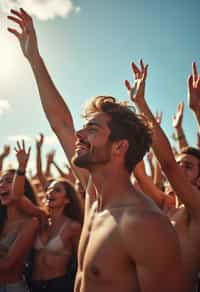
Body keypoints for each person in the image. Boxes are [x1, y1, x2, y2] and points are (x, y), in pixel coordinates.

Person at [8, 9, 187, 292]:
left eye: (92, 129)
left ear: (119, 147)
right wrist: (34, 59)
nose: (79, 133)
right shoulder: (93, 194)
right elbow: (61, 124)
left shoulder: (145, 224)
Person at [125, 59, 200, 291]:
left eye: (187, 166)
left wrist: (197, 111)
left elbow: (167, 163)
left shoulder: (196, 210)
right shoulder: (167, 205)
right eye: (180, 164)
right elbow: (139, 174)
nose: (179, 169)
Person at [12, 140, 82, 292]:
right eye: (49, 189)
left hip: (60, 285)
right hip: (33, 285)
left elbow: (81, 262)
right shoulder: (41, 218)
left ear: (68, 199)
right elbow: (17, 197)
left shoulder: (73, 227)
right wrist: (22, 167)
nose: (50, 192)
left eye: (57, 190)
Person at [0, 142, 39, 291]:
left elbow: (8, 264)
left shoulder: (30, 223)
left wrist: (21, 167)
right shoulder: (2, 221)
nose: (2, 185)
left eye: (8, 181)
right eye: (0, 182)